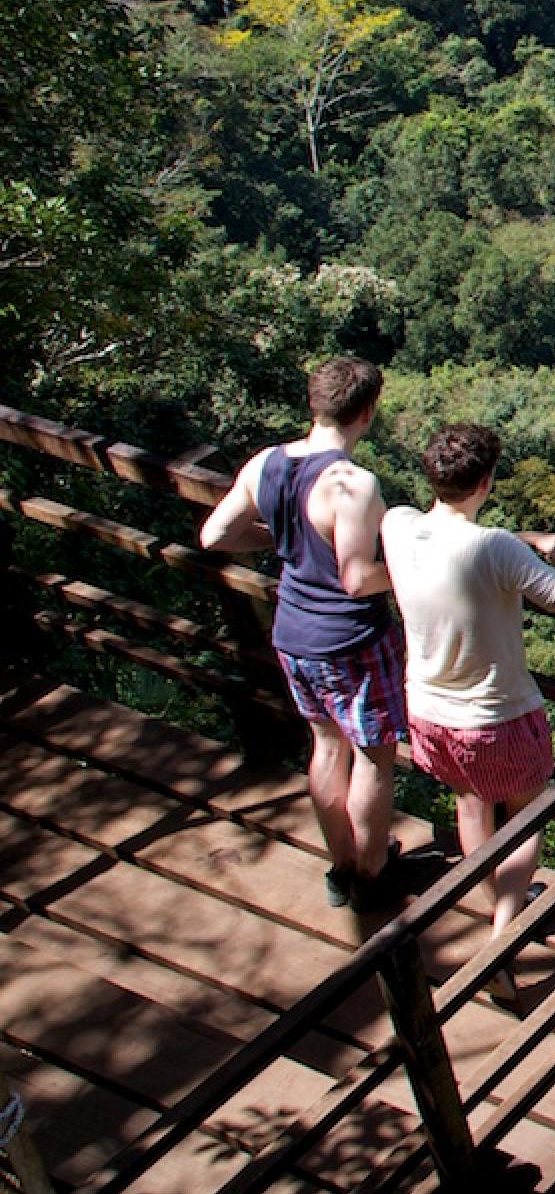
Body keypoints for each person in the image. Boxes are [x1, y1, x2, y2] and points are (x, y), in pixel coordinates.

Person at [200, 356, 410, 910]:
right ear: (367, 412)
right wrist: (413, 570)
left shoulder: (267, 463)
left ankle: (341, 866)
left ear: (312, 405)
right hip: (352, 642)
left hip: (292, 633)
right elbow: (357, 578)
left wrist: (285, 542)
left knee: (323, 746)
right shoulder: (352, 484)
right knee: (371, 757)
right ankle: (372, 872)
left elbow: (215, 534)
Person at [382, 422, 555, 945]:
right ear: (486, 483)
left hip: (429, 711)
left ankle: (489, 903)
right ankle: (503, 932)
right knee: (528, 814)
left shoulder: (398, 525)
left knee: (472, 801)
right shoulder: (496, 549)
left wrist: (530, 542)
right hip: (497, 715)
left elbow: (461, 541)